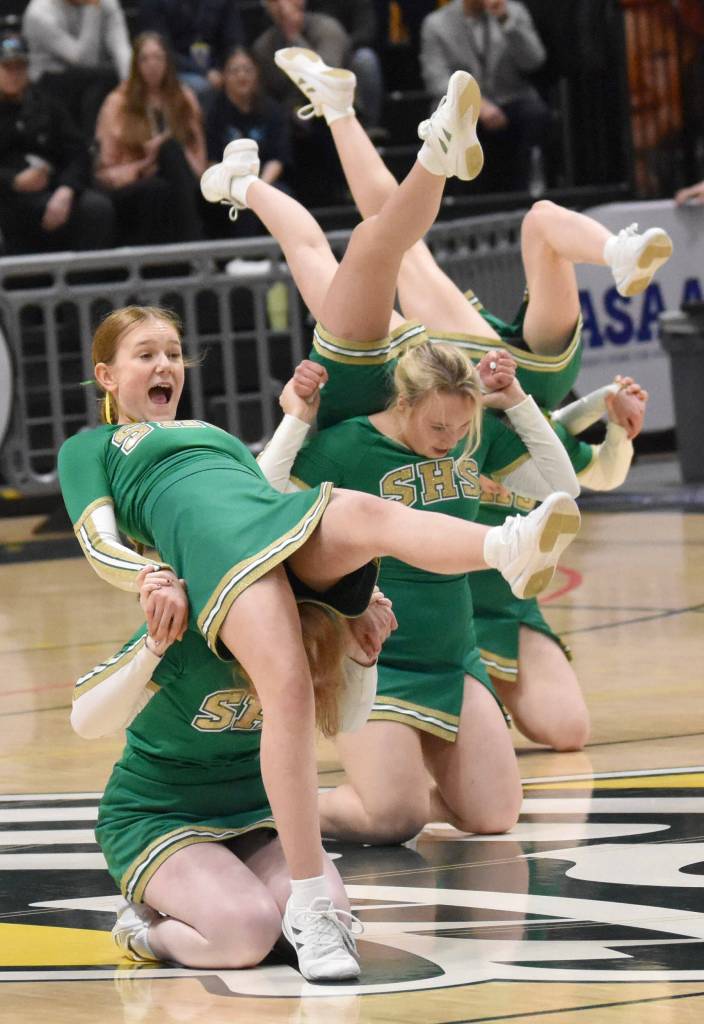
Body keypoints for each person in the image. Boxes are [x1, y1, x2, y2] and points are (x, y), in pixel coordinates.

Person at [60, 78, 579, 975]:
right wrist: (145, 577)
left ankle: (505, 544)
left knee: (367, 514)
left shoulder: (211, 432)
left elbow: (254, 498)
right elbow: (108, 533)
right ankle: (375, 144)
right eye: (147, 354)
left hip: (284, 535)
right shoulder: (101, 448)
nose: (167, 365)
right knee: (367, 248)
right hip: (250, 539)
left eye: (175, 353)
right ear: (106, 375)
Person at [71, 553, 396, 972]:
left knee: (327, 917)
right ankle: (143, 932)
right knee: (244, 936)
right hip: (158, 815)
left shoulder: (312, 632)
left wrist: (363, 655)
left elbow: (348, 722)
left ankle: (217, 897)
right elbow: (86, 721)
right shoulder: (195, 627)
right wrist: (153, 648)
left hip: (260, 815)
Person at [472, 375, 648, 750]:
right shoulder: (429, 420)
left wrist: (617, 427)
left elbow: (601, 473)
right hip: (437, 606)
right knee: (474, 741)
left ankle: (491, 684)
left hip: (509, 607)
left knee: (568, 729)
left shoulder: (535, 427)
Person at [0, 29, 115, 255]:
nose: (14, 74)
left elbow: (78, 151)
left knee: (96, 209)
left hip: (51, 192)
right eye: (7, 67)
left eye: (20, 67)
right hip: (7, 197)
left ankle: (86, 287)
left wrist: (66, 189)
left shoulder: (46, 103)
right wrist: (12, 181)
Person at [419, 0, 549, 192]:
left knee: (535, 113)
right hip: (461, 104)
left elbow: (534, 61)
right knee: (451, 125)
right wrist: (477, 104)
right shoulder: (436, 24)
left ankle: (526, 193)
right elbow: (436, 79)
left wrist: (506, 22)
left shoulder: (513, 12)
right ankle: (462, 203)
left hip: (510, 97)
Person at [94, 31, 206, 245]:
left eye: (158, 58)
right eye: (145, 59)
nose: (152, 65)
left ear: (168, 63)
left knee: (170, 151)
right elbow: (104, 172)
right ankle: (195, 247)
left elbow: (198, 163)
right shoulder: (117, 103)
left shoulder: (184, 97)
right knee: (158, 185)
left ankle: (186, 253)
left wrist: (166, 154)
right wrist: (145, 165)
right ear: (135, 65)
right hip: (133, 184)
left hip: (181, 178)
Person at [252, 0, 352, 206]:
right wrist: (290, 111)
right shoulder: (263, 45)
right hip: (290, 116)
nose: (281, 6)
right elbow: (268, 96)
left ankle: (343, 191)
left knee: (322, 119)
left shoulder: (327, 28)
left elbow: (327, 80)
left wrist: (294, 37)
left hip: (336, 107)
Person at [204, 46, 292, 237]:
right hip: (227, 184)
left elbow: (277, 158)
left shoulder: (272, 110)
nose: (241, 76)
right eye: (234, 70)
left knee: (281, 195)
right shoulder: (214, 113)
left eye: (247, 70)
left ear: (256, 74)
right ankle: (240, 259)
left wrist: (258, 186)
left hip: (265, 180)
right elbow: (212, 160)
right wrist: (231, 186)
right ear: (224, 76)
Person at [22, 0, 131, 137]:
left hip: (94, 75)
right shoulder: (39, 13)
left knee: (113, 80)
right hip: (50, 79)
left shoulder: (106, 3)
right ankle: (92, 143)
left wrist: (130, 84)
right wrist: (92, 10)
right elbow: (84, 60)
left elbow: (121, 48)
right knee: (102, 78)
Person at [138, 0, 245, 111]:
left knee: (244, 75)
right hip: (177, 69)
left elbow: (234, 41)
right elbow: (162, 51)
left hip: (218, 65)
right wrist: (205, 72)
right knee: (202, 87)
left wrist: (226, 69)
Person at [308, 0, 384, 131]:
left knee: (366, 59)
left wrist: (337, 45)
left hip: (348, 55)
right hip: (314, 54)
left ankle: (368, 125)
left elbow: (366, 32)